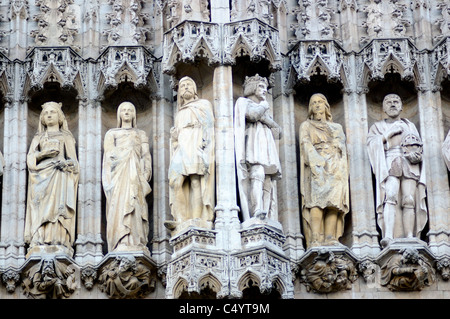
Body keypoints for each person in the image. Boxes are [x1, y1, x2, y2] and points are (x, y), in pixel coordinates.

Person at [367, 93, 427, 247]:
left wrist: (416, 154)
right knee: (390, 196)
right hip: (390, 162)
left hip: (409, 164)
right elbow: (371, 146)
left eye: (396, 102)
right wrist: (388, 134)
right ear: (383, 108)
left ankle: (409, 235)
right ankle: (388, 235)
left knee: (409, 199)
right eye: (388, 102)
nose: (392, 104)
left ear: (401, 106)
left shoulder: (410, 125)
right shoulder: (378, 127)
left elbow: (418, 146)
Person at [25, 101, 79, 254]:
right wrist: (44, 154)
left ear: (60, 116)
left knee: (57, 211)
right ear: (42, 118)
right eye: (46, 113)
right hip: (41, 177)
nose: (49, 115)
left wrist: (65, 164)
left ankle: (58, 239)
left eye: (52, 112)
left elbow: (74, 163)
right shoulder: (38, 138)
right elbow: (30, 160)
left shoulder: (65, 137)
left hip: (59, 177)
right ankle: (39, 239)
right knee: (40, 210)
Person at [299, 93, 349, 248]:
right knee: (316, 200)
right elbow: (305, 143)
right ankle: (315, 238)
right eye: (313, 103)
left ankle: (330, 237)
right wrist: (315, 160)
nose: (317, 105)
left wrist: (338, 146)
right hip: (317, 164)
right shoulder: (306, 125)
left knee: (334, 202)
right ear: (310, 108)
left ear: (326, 106)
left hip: (335, 165)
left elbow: (342, 144)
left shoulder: (336, 127)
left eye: (320, 102)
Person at [165, 76, 215, 232]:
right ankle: (180, 218)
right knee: (175, 181)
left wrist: (205, 148)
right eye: (182, 86)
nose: (185, 87)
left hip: (195, 143)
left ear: (194, 89)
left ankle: (197, 218)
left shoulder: (203, 105)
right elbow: (177, 135)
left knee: (195, 181)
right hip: (182, 146)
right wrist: (174, 138)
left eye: (188, 85)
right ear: (179, 92)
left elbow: (209, 127)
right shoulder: (180, 112)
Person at [102, 101, 152, 253]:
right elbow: (109, 156)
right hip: (119, 176)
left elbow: (145, 155)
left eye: (130, 110)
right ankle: (121, 239)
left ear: (134, 114)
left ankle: (136, 239)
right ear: (119, 114)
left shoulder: (140, 134)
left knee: (135, 203)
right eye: (123, 110)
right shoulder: (112, 134)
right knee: (120, 204)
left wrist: (146, 170)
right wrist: (125, 153)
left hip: (135, 175)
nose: (127, 112)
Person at [234, 74, 282, 222]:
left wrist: (265, 118)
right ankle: (256, 210)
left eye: (266, 87)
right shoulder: (244, 102)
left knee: (267, 181)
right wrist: (264, 109)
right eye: (261, 87)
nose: (264, 90)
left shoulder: (264, 110)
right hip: (253, 145)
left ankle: (266, 214)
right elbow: (253, 115)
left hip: (266, 148)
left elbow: (278, 132)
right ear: (252, 88)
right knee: (257, 173)